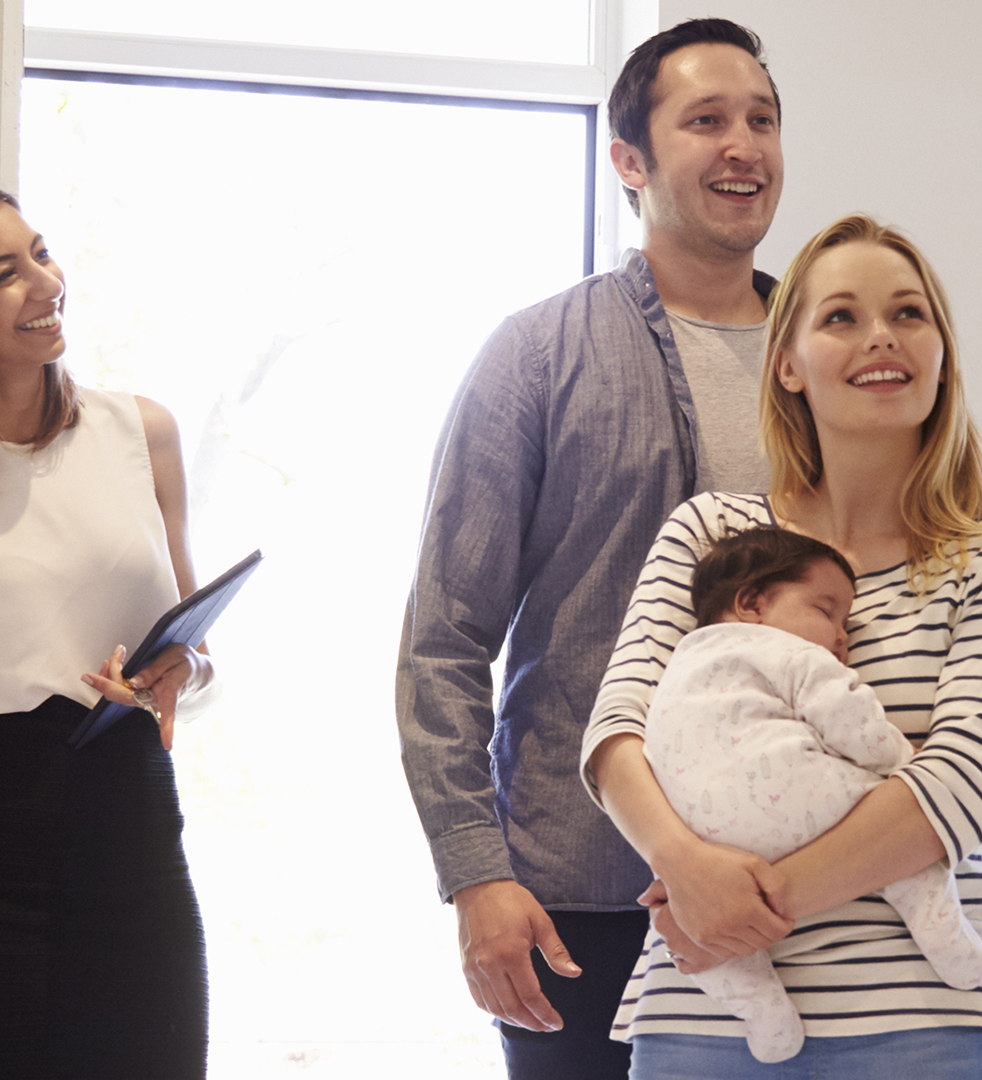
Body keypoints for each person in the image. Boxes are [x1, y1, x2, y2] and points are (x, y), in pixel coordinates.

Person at [396, 17, 783, 1078]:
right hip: (585, 894)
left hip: (806, 884)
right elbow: (444, 639)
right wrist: (477, 877)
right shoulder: (538, 354)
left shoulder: (833, 354)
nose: (743, 146)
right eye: (705, 121)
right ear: (629, 159)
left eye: (761, 119)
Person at [582, 213, 982, 1080]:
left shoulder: (977, 561)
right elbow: (617, 731)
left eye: (909, 313)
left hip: (929, 1020)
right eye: (841, 316)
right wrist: (681, 864)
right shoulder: (711, 531)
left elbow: (957, 779)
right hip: (700, 1022)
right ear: (788, 361)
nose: (881, 336)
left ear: (942, 350)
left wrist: (735, 910)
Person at [0, 181, 213, 1079]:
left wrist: (178, 672)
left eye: (41, 253)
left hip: (130, 824)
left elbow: (194, 644)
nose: (47, 283)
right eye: (7, 272)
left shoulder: (139, 432)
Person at [644, 527, 982, 1063]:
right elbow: (848, 715)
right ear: (752, 604)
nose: (843, 636)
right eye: (828, 612)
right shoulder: (787, 652)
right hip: (799, 801)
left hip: (705, 841)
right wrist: (901, 758)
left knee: (713, 950)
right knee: (902, 819)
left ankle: (760, 1007)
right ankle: (942, 932)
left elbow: (623, 742)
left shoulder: (674, 669)